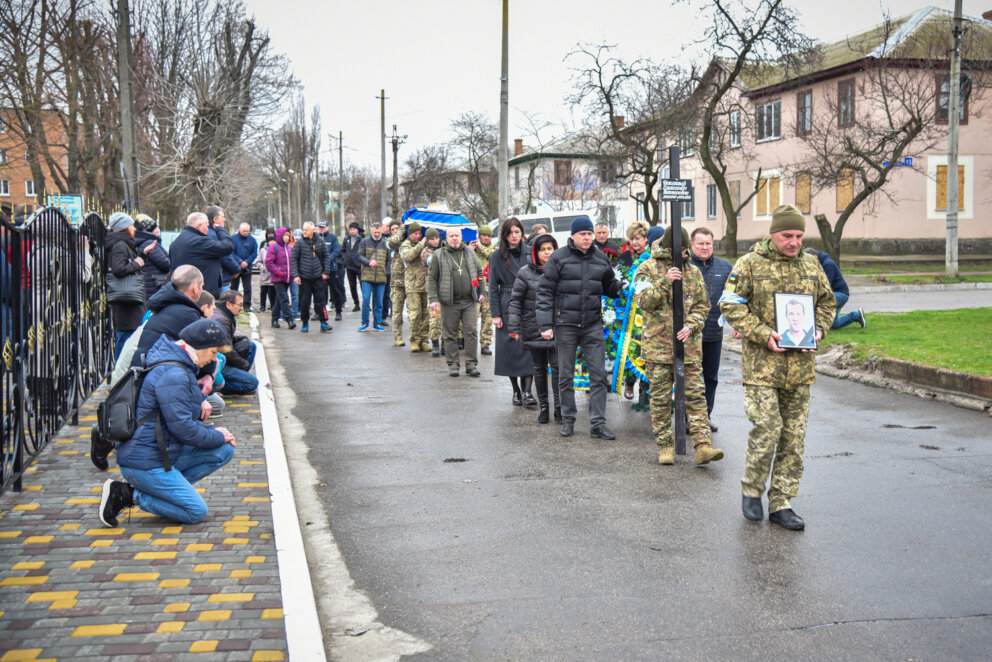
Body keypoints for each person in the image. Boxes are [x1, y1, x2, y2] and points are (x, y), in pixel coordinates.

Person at [720, 204, 836, 531]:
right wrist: (763, 333)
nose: (794, 241)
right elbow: (729, 304)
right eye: (788, 235)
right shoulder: (750, 264)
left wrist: (818, 329)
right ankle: (752, 489)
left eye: (799, 235)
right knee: (768, 428)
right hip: (762, 368)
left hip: (800, 369)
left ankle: (781, 502)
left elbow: (827, 303)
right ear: (773, 233)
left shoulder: (812, 268)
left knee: (793, 437)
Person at [99, 319, 237, 527]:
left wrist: (217, 434)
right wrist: (217, 434)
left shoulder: (181, 364)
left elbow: (181, 421)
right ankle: (128, 495)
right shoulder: (175, 374)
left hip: (161, 452)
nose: (213, 358)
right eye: (213, 352)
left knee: (223, 449)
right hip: (144, 462)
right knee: (195, 511)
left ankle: (166, 493)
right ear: (201, 348)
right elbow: (184, 429)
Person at [635, 226, 723, 466]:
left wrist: (692, 326)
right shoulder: (647, 268)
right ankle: (665, 446)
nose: (681, 252)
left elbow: (703, 306)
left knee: (696, 396)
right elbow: (643, 300)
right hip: (658, 348)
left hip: (689, 347)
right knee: (661, 399)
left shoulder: (693, 271)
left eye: (684, 249)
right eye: (678, 248)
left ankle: (703, 446)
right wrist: (666, 281)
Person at [536, 215, 623, 439]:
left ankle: (597, 423)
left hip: (593, 324)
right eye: (583, 234)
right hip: (565, 324)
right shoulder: (559, 258)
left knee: (598, 376)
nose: (587, 238)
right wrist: (546, 323)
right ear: (573, 236)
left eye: (589, 234)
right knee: (565, 376)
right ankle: (568, 419)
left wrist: (622, 287)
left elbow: (608, 285)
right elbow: (544, 291)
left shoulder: (600, 258)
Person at [507, 234, 561, 424]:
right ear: (536, 252)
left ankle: (559, 408)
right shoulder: (525, 272)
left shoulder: (561, 269)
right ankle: (544, 407)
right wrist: (514, 327)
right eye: (543, 249)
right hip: (533, 325)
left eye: (550, 248)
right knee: (539, 369)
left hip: (557, 327)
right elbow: (515, 302)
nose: (547, 252)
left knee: (557, 368)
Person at [688, 227, 734, 431]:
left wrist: (737, 324)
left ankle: (705, 416)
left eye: (708, 243)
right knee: (689, 377)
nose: (705, 247)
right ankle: (687, 418)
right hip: (688, 333)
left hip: (714, 332)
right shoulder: (684, 266)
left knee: (710, 377)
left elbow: (734, 298)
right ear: (691, 245)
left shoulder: (725, 267)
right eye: (700, 244)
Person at [489, 217, 536, 406]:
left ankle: (527, 391)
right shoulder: (496, 256)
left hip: (528, 303)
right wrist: (495, 314)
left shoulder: (530, 253)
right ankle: (516, 390)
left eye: (517, 232)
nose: (514, 236)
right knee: (509, 349)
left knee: (529, 348)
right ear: (505, 235)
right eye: (510, 233)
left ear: (522, 233)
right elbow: (493, 287)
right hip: (506, 301)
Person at [428, 227, 484, 377]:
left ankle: (471, 364)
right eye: (451, 236)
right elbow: (432, 278)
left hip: (469, 301)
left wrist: (482, 291)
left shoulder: (470, 252)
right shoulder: (438, 255)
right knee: (450, 334)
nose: (454, 238)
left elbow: (479, 273)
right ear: (446, 238)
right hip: (449, 302)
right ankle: (453, 364)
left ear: (461, 237)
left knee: (471, 332)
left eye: (457, 235)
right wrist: (433, 299)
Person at [130, 265, 206, 368]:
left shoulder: (163, 305)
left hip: (144, 367)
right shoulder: (188, 314)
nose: (201, 290)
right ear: (196, 288)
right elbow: (204, 353)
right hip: (155, 371)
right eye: (201, 286)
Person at [106, 212, 151, 359]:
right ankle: (121, 375)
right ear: (124, 227)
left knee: (128, 336)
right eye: (131, 225)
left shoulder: (124, 244)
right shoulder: (120, 245)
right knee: (125, 337)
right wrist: (137, 264)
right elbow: (119, 269)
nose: (134, 228)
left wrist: (142, 256)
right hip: (127, 300)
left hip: (129, 300)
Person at [618, 220, 651, 406]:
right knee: (629, 348)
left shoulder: (649, 259)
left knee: (644, 349)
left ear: (646, 240)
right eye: (632, 239)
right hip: (627, 310)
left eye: (638, 239)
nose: (635, 242)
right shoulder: (624, 258)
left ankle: (645, 389)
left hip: (645, 310)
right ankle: (629, 383)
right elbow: (617, 277)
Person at [168, 211, 234, 297]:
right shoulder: (199, 241)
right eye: (206, 226)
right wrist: (220, 229)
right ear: (199, 226)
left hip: (183, 291)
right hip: (201, 295)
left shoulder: (176, 242)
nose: (207, 230)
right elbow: (228, 247)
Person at [804, 247, 866, 330]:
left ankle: (811, 327)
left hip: (840, 294)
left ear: (815, 256)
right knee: (834, 325)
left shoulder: (828, 265)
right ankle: (856, 315)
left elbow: (825, 286)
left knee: (817, 302)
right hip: (833, 294)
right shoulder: (818, 264)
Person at [211, 290, 259, 394]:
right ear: (228, 305)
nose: (242, 308)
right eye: (240, 305)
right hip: (216, 362)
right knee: (252, 384)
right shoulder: (223, 320)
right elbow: (226, 350)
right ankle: (217, 385)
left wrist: (242, 338)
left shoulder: (223, 313)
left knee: (250, 345)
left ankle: (240, 376)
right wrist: (244, 364)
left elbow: (227, 339)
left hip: (220, 356)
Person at [292, 221, 332, 333]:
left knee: (320, 300)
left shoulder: (320, 242)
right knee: (304, 301)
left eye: (306, 230)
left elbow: (326, 257)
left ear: (312, 230)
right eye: (303, 230)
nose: (304, 232)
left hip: (318, 277)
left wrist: (326, 272)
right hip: (304, 278)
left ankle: (324, 322)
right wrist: (296, 275)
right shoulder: (299, 243)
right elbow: (294, 260)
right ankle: (305, 323)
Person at [399, 222, 430, 352]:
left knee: (426, 314)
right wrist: (421, 244)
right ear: (410, 234)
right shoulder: (405, 245)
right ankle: (414, 340)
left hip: (426, 285)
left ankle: (424, 340)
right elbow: (408, 256)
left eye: (419, 233)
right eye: (415, 234)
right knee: (415, 314)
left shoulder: (426, 245)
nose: (418, 236)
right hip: (412, 286)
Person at [357, 220, 390, 332]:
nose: (377, 234)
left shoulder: (385, 243)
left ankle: (377, 323)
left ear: (381, 231)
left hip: (381, 277)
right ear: (371, 231)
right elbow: (360, 256)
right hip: (367, 276)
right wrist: (368, 262)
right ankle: (364, 323)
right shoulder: (364, 241)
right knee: (366, 299)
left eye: (378, 232)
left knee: (379, 302)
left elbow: (389, 260)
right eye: (375, 232)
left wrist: (387, 271)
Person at [264, 227, 296, 329]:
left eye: (288, 235)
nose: (286, 238)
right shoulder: (274, 247)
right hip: (278, 278)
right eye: (285, 235)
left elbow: (291, 263)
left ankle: (274, 319)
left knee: (279, 299)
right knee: (284, 298)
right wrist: (278, 272)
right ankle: (289, 319)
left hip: (287, 278)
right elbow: (269, 263)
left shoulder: (289, 248)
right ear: (280, 236)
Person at [134, 215, 171, 301]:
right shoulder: (150, 243)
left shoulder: (142, 241)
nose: (158, 230)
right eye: (156, 228)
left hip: (149, 283)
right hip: (155, 284)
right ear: (150, 230)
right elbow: (165, 264)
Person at [205, 206, 241, 294]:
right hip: (220, 281)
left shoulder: (207, 233)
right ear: (215, 219)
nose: (224, 219)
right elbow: (225, 256)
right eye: (222, 217)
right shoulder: (214, 235)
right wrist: (236, 269)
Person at [474, 225, 496, 355]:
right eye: (484, 235)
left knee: (488, 319)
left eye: (488, 236)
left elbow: (492, 257)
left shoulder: (494, 248)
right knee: (471, 317)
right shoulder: (472, 248)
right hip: (475, 288)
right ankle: (466, 340)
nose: (486, 238)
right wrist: (472, 248)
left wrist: (480, 247)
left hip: (489, 288)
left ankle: (485, 344)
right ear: (479, 235)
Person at [317, 220, 345, 320]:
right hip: (320, 270)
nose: (321, 229)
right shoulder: (316, 238)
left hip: (332, 269)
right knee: (320, 292)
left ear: (327, 228)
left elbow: (336, 250)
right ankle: (319, 312)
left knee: (335, 290)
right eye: (320, 227)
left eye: (323, 227)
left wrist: (327, 261)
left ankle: (338, 311)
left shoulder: (332, 237)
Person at [422, 228, 444, 356]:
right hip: (433, 289)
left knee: (446, 318)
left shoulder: (444, 248)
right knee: (434, 317)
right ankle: (435, 343)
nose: (435, 241)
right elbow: (430, 261)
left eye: (437, 238)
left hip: (445, 287)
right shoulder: (426, 251)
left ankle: (445, 344)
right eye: (432, 239)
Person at [387, 219, 407, 345]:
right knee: (397, 311)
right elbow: (394, 241)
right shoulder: (390, 241)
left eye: (397, 228)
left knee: (414, 312)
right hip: (396, 282)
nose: (395, 231)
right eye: (393, 229)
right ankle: (397, 336)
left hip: (410, 281)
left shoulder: (407, 241)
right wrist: (402, 230)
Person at [230, 222, 258, 311]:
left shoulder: (252, 240)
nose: (246, 233)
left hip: (247, 268)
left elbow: (254, 253)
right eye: (244, 231)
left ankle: (246, 306)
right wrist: (239, 261)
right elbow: (231, 252)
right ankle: (232, 304)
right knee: (234, 287)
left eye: (247, 231)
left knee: (247, 288)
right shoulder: (233, 239)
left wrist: (247, 261)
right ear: (239, 230)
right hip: (235, 267)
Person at [342, 218, 364, 311]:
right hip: (349, 266)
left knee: (363, 285)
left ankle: (366, 303)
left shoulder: (362, 239)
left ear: (357, 230)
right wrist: (344, 260)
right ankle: (356, 304)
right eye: (350, 229)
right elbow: (343, 250)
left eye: (354, 229)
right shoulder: (347, 239)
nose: (352, 231)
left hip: (359, 266)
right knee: (352, 285)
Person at [256, 235, 274, 312]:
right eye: (271, 241)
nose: (272, 243)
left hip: (273, 275)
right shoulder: (263, 250)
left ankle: (273, 306)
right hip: (264, 275)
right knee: (263, 292)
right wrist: (262, 268)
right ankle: (262, 306)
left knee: (272, 292)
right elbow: (258, 261)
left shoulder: (277, 249)